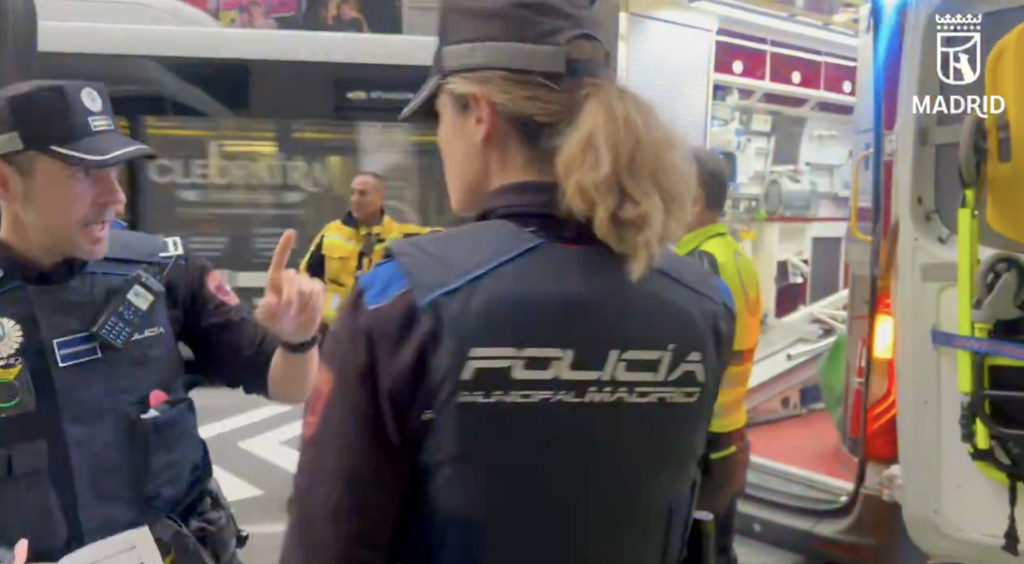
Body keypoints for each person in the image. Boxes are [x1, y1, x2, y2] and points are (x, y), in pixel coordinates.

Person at [282, 1, 737, 562]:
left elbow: (328, 542)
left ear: (478, 113)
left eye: (438, 117)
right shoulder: (705, 302)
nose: (439, 140)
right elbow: (700, 490)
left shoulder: (400, 300)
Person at [0, 80, 323, 564]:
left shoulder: (163, 271)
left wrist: (299, 339)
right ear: (6, 182)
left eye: (113, 170)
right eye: (83, 173)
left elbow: (286, 383)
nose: (115, 197)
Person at [675, 149, 763, 564]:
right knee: (718, 547)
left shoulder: (698, 263)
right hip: (730, 432)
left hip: (702, 438)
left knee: (695, 549)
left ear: (694, 201)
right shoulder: (732, 254)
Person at [299, 171, 439, 331]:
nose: (355, 199)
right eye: (352, 193)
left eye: (363, 194)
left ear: (381, 198)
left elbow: (443, 238)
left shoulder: (400, 235)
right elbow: (306, 277)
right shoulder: (331, 232)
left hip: (380, 330)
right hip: (333, 330)